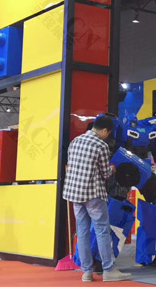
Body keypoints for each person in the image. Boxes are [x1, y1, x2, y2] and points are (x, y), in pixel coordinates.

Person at [62, 115, 130, 282]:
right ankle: (108, 270)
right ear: (105, 130)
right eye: (108, 133)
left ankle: (86, 272)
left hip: (75, 194)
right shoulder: (101, 145)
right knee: (102, 231)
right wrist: (112, 169)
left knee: (82, 232)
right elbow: (105, 174)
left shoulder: (75, 141)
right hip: (93, 194)